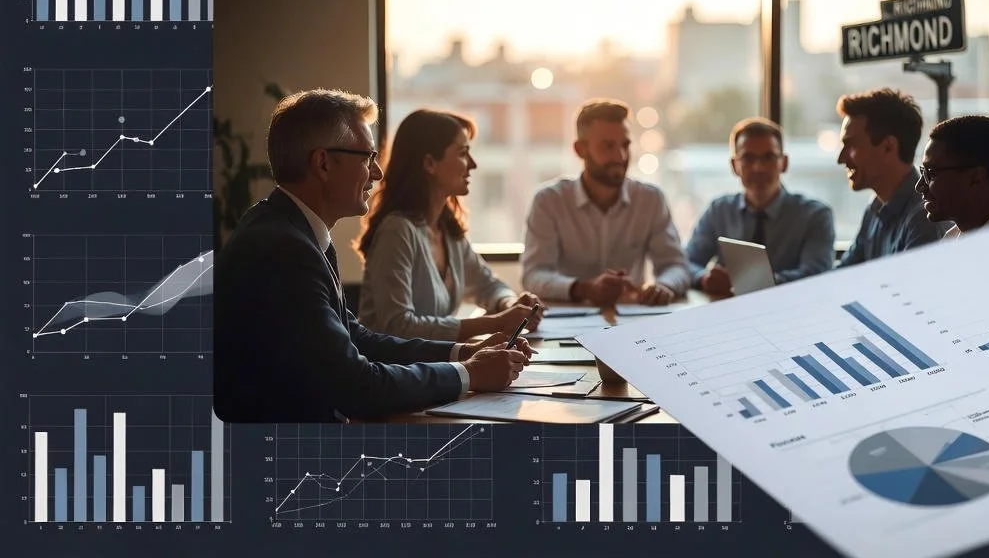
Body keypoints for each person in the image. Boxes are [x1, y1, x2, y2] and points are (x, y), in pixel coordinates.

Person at [213, 89, 531, 423]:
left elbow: (356, 337)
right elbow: (355, 386)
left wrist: (463, 353)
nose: (377, 173)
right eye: (367, 158)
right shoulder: (284, 249)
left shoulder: (295, 230)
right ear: (323, 163)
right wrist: (467, 373)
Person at [356, 109, 543, 341]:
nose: (472, 164)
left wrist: (510, 303)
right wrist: (495, 322)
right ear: (430, 163)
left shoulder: (447, 230)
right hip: (394, 372)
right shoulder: (397, 231)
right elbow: (398, 325)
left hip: (434, 367)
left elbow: (488, 285)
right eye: (463, 153)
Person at [521, 99, 692, 306]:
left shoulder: (650, 199)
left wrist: (664, 286)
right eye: (608, 146)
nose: (620, 156)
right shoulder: (548, 201)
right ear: (580, 150)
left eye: (625, 145)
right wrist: (584, 289)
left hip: (632, 319)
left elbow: (677, 266)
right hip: (569, 319)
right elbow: (533, 274)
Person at [685, 117, 834, 296]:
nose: (758, 168)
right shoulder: (719, 210)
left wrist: (749, 284)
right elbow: (686, 262)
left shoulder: (815, 215)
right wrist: (704, 278)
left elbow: (816, 275)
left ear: (784, 163)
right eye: (748, 158)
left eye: (768, 157)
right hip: (729, 313)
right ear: (734, 165)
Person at [835, 88, 949, 267]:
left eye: (851, 146)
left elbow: (907, 293)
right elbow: (843, 277)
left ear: (888, 146)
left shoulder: (924, 220)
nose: (841, 158)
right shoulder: (875, 208)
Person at [916, 115, 989, 238]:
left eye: (931, 173)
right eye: (923, 172)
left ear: (977, 177)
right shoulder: (952, 238)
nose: (919, 186)